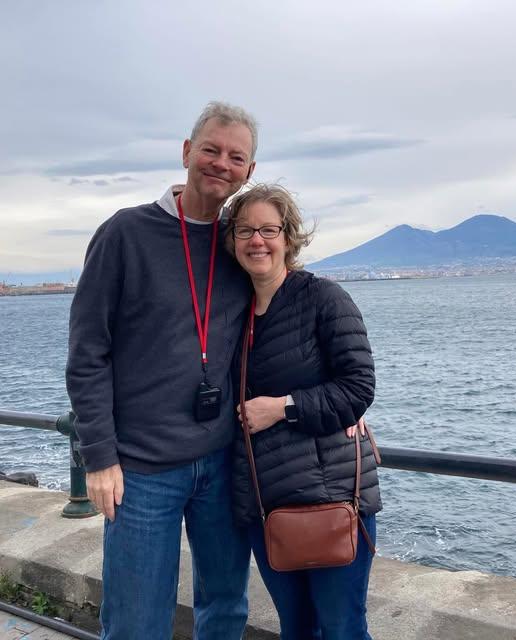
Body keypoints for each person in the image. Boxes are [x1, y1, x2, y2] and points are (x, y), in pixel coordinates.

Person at [66, 102, 258, 639]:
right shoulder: (125, 233)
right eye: (210, 149)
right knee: (135, 622)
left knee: (225, 608)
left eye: (236, 156)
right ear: (185, 152)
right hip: (141, 469)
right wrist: (99, 458)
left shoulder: (241, 243)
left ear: (249, 172)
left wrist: (338, 406)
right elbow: (86, 354)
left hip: (222, 460)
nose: (221, 163)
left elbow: (281, 326)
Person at [226, 184, 382, 640]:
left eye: (269, 229)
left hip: (329, 496)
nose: (258, 240)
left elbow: (358, 387)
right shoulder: (232, 311)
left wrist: (284, 408)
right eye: (245, 230)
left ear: (289, 237)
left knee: (342, 627)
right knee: (295, 628)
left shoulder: (323, 298)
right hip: (263, 501)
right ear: (232, 241)